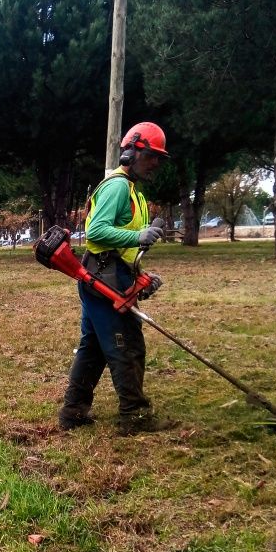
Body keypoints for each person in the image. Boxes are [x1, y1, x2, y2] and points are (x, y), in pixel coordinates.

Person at [58, 122, 169, 436]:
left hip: (109, 272)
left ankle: (73, 413)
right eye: (151, 155)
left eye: (160, 157)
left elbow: (122, 244)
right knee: (127, 346)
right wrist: (138, 235)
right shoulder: (117, 186)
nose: (156, 163)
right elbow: (95, 233)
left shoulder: (132, 189)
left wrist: (141, 276)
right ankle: (134, 416)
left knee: (93, 347)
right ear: (132, 151)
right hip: (103, 276)